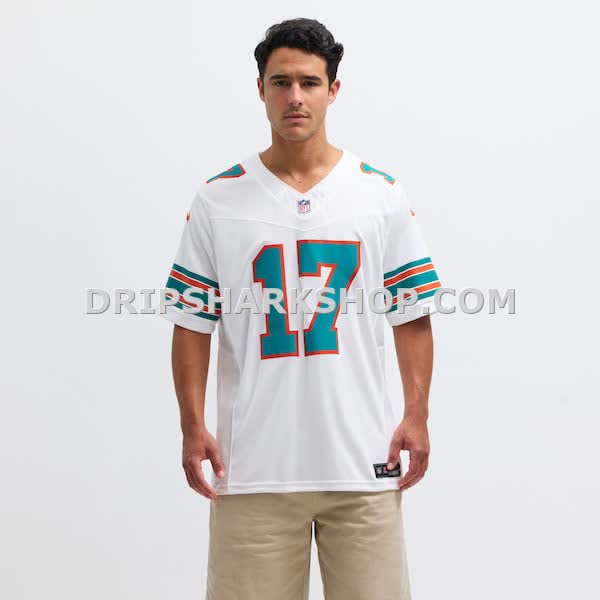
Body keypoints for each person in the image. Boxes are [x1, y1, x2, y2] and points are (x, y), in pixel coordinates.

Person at [161, 17, 441, 600]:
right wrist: (192, 425)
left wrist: (416, 415)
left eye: (309, 83)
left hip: (362, 463)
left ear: (332, 90)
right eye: (281, 82)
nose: (295, 97)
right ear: (260, 89)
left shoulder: (379, 193)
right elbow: (191, 322)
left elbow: (411, 313)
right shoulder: (218, 198)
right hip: (253, 468)